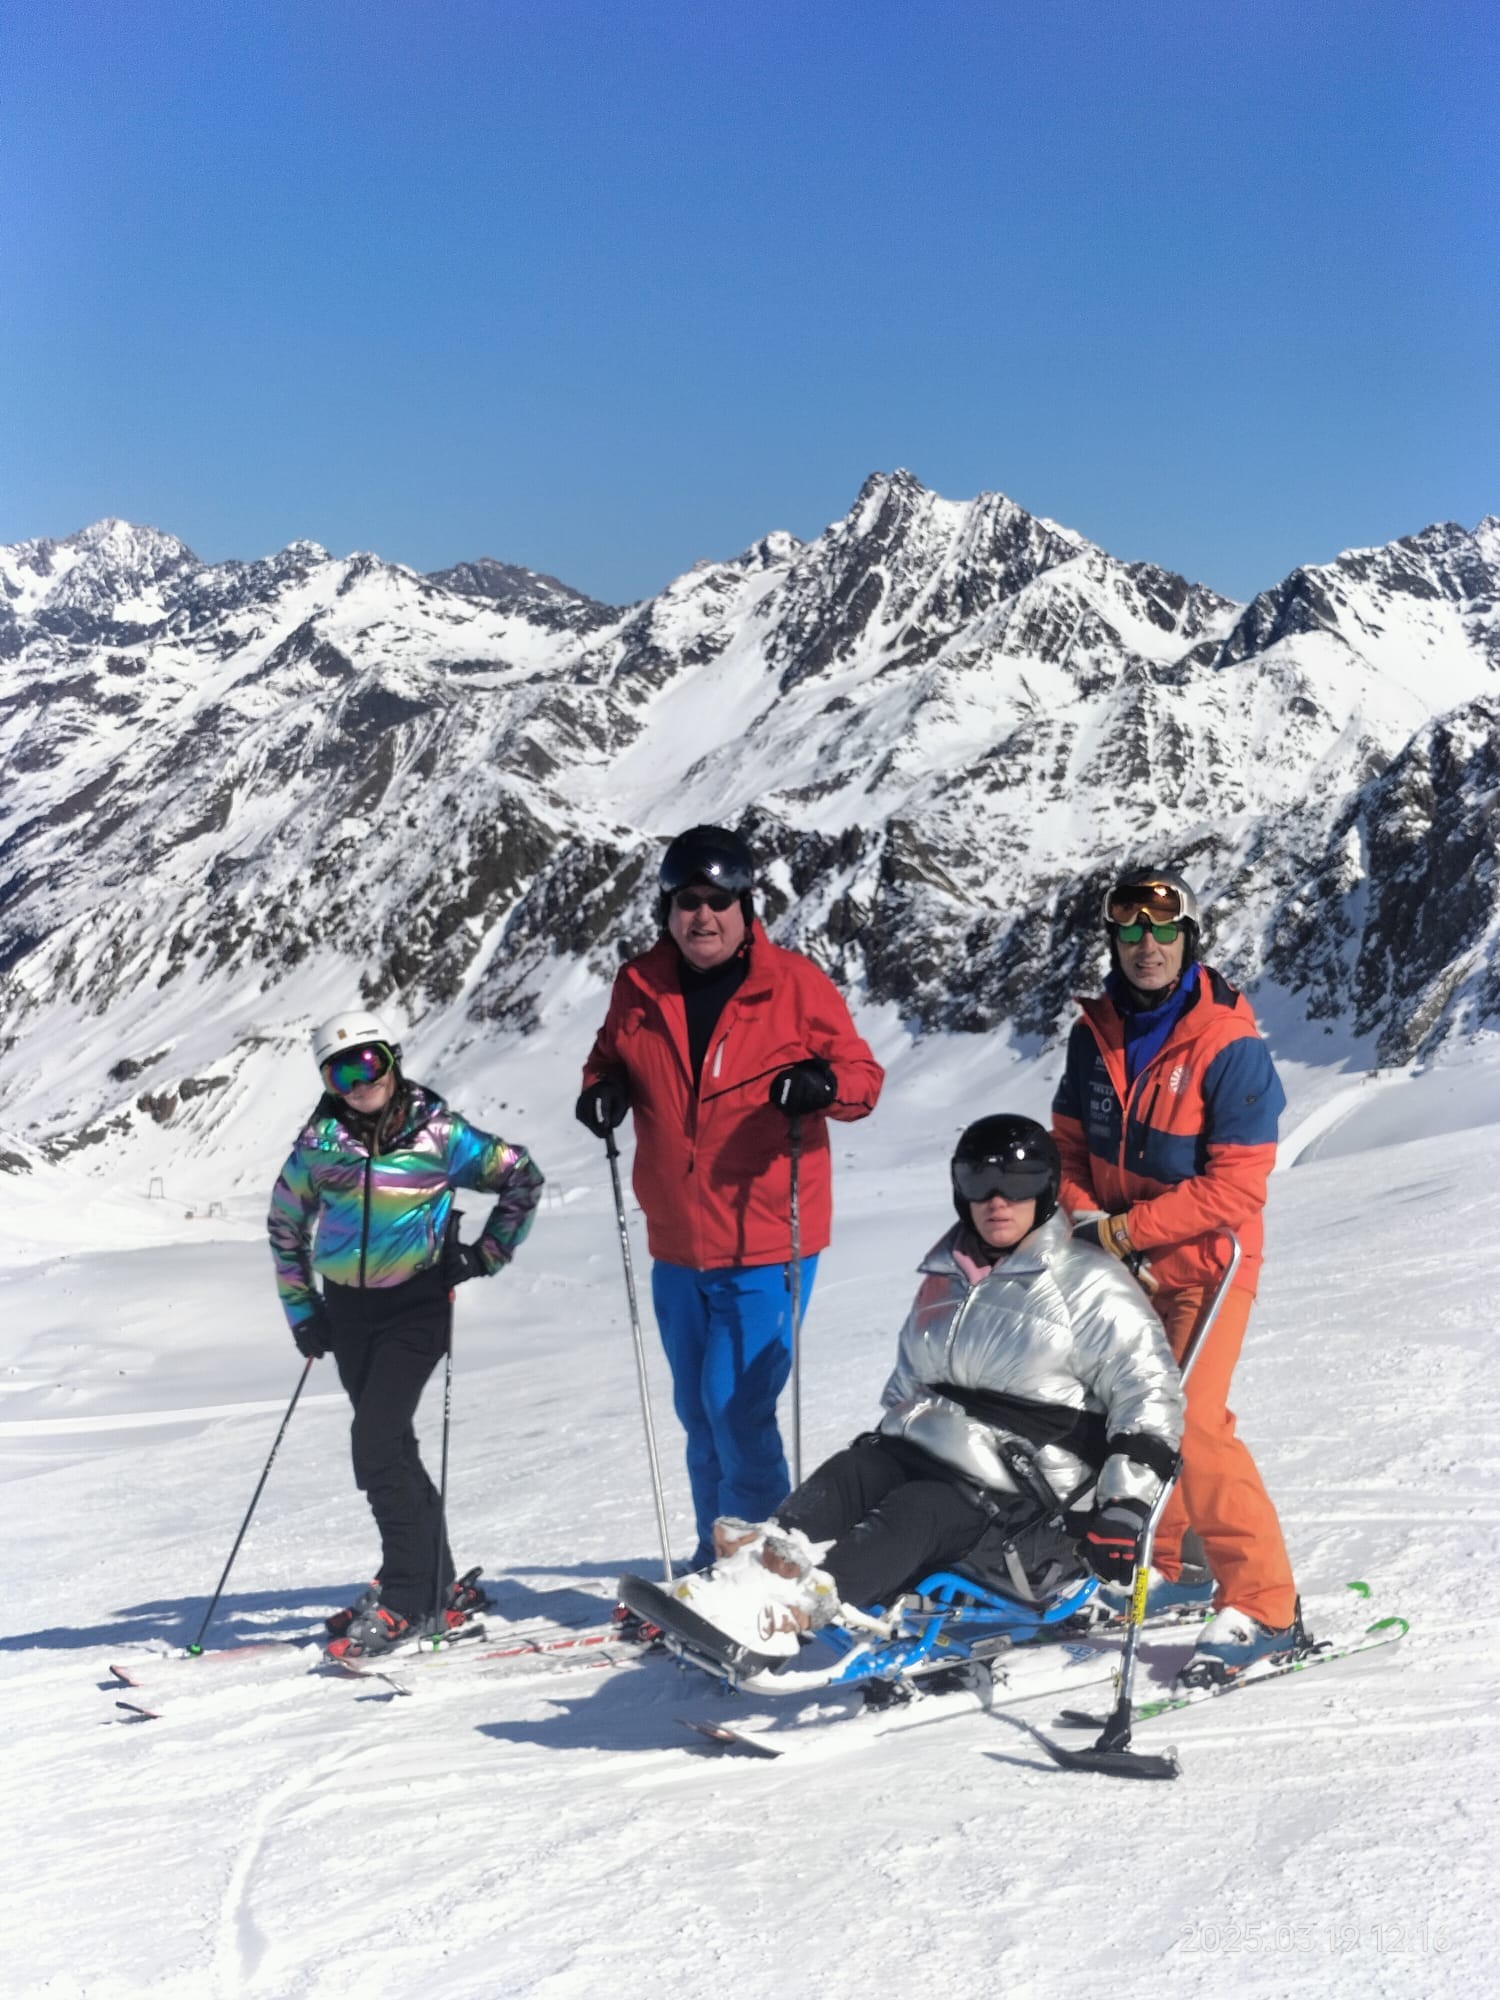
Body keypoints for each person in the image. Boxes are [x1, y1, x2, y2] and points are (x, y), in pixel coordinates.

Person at [662, 1116, 1184, 1660]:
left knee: (918, 1506)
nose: (997, 1201)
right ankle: (747, 1581)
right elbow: (907, 1382)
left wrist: (1124, 1506)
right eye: (979, 1183)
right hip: (936, 1456)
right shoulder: (948, 1276)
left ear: (1047, 1188)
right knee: (854, 1470)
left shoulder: (1089, 1282)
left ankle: (790, 1613)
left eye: (1018, 1183)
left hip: (1031, 1511)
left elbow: (1150, 1396)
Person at [577, 825, 884, 1570]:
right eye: (688, 901)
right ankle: (715, 1556)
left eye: (719, 901)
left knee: (735, 1407)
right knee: (697, 1412)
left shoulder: (794, 985)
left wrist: (822, 1084)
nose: (703, 916)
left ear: (747, 907)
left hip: (766, 1240)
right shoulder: (639, 985)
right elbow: (607, 1059)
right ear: (667, 910)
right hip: (678, 1244)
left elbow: (863, 1079)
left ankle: (757, 1569)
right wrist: (603, 1090)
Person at [1050, 866, 1298, 1688]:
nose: (1145, 946)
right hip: (1121, 1261)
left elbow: (1238, 1188)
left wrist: (1128, 1231)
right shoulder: (1095, 1033)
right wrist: (1089, 1218)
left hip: (1208, 1266)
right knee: (1129, 1415)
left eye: (1162, 930)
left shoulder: (1229, 1045)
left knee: (1191, 1424)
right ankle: (1168, 1564)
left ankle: (1266, 1605)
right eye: (1129, 930)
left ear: (1189, 939)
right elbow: (1067, 1148)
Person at [267, 1009, 544, 1657]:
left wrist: (484, 1255)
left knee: (374, 1446)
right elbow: (285, 1225)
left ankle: (406, 1597)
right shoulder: (319, 1146)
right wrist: (304, 1309)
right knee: (394, 1447)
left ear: (392, 1060)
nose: (360, 1081)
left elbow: (521, 1177)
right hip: (348, 1313)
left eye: (370, 1063)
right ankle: (433, 1582)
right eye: (342, 1072)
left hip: (416, 1308)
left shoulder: (440, 1135)